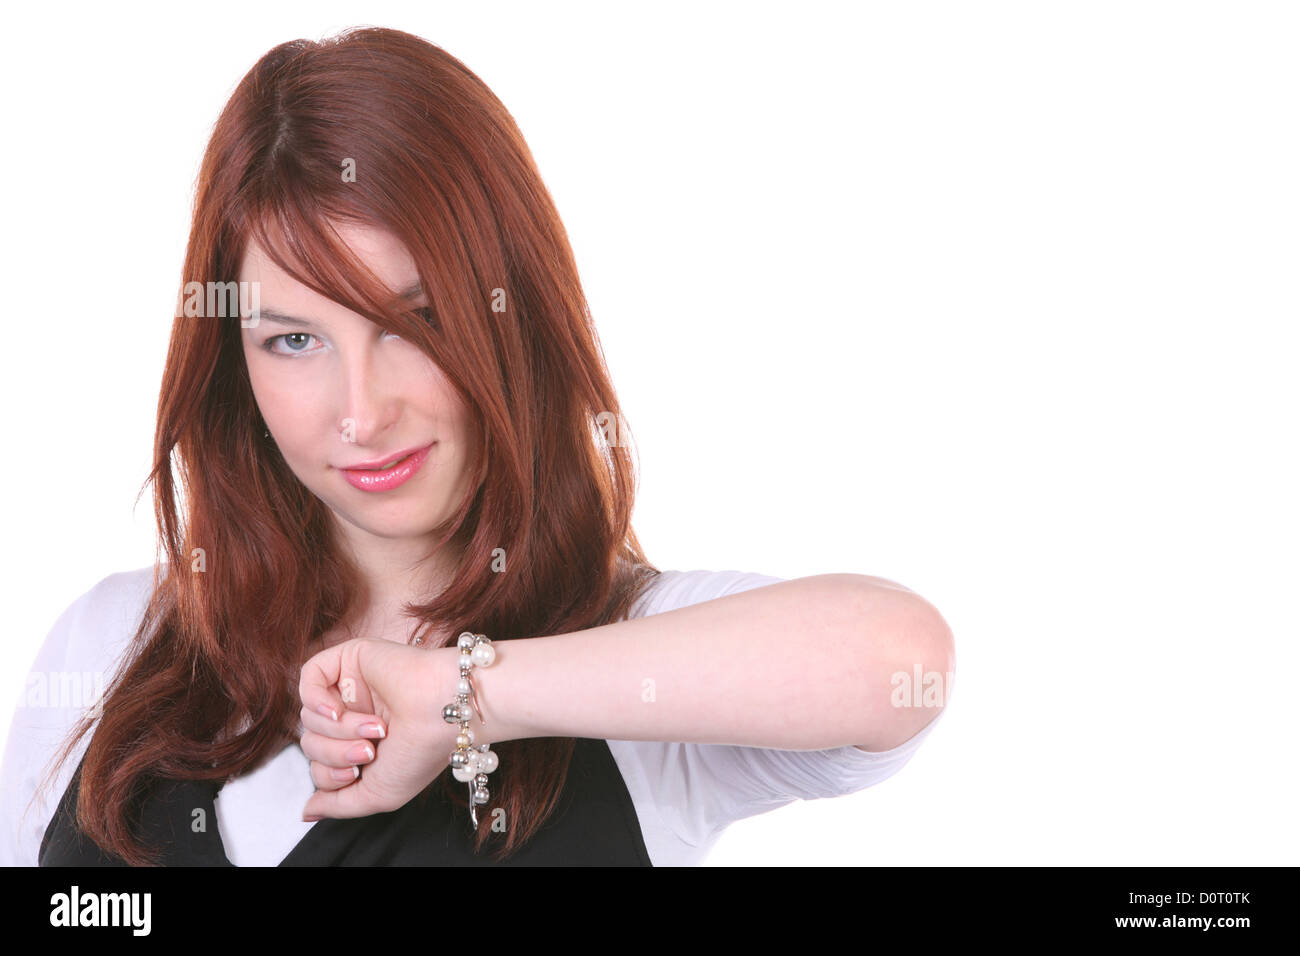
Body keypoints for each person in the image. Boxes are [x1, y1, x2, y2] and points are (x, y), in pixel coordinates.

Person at [0, 26, 954, 867]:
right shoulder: (116, 642)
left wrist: (463, 694)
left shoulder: (635, 660)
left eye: (414, 322)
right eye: (294, 340)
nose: (361, 413)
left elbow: (897, 659)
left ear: (513, 314)